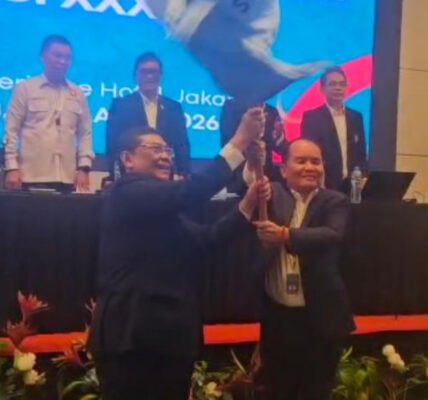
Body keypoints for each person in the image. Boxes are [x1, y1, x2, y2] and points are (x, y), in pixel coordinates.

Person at [88, 108, 270, 400]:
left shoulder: (165, 209)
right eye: (154, 149)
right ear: (127, 159)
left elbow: (208, 241)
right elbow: (192, 190)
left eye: (167, 150)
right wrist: (239, 141)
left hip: (171, 339)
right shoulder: (126, 193)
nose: (165, 156)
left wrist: (248, 204)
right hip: (131, 339)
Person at [246, 138, 354, 400]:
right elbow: (252, 185)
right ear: (284, 169)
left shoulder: (335, 201)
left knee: (316, 391)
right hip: (278, 318)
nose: (309, 167)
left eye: (315, 161)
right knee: (277, 390)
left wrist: (285, 235)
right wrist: (253, 161)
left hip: (320, 317)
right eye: (301, 161)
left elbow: (332, 234)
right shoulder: (272, 194)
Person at [3, 35, 93, 194]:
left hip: (67, 177)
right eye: (57, 56)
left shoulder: (78, 93)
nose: (63, 61)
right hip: (31, 176)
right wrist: (12, 167)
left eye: (67, 58)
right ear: (43, 56)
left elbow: (85, 134)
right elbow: (11, 131)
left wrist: (84, 168)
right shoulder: (25, 88)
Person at [106, 52, 190, 179]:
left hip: (166, 177)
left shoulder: (174, 108)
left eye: (154, 72)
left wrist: (184, 174)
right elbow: (113, 145)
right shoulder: (121, 106)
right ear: (135, 75)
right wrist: (115, 177)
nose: (150, 76)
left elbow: (182, 145)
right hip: (133, 177)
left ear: (161, 76)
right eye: (144, 72)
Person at [300, 66, 367, 190]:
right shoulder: (312, 118)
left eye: (342, 84)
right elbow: (308, 154)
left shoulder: (356, 117)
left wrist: (363, 177)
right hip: (324, 187)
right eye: (333, 84)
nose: (338, 88)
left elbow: (361, 154)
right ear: (322, 89)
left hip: (353, 187)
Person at [220, 98, 288, 192]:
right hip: (237, 177)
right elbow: (226, 141)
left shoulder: (272, 111)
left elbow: (278, 148)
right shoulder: (231, 107)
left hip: (266, 180)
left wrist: (279, 137)